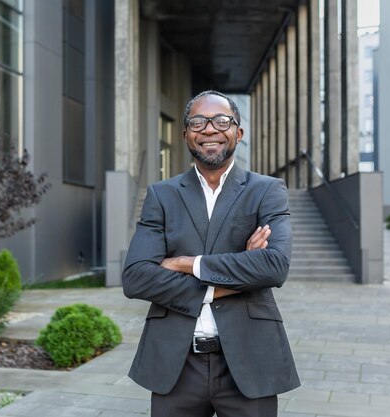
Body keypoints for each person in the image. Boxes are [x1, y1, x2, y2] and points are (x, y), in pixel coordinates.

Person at [122, 90, 300, 417]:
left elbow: (274, 266)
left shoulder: (267, 191)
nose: (209, 129)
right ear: (185, 133)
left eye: (221, 121)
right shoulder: (162, 195)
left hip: (250, 359)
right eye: (198, 122)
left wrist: (186, 264)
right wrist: (238, 274)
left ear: (238, 132)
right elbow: (135, 278)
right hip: (176, 364)